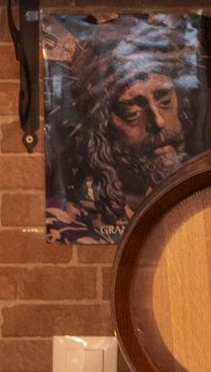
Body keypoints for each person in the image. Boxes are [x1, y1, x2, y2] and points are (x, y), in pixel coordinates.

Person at [45, 30, 195, 243]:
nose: (159, 122)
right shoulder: (65, 223)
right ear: (100, 129)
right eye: (132, 113)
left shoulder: (195, 197)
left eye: (165, 102)